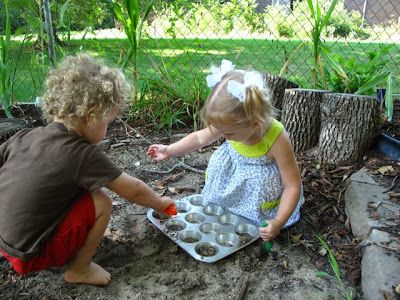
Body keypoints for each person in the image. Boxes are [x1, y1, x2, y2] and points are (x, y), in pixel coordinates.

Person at [0, 54, 174, 286]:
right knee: (101, 202)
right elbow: (133, 190)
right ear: (92, 117)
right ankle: (79, 270)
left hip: (4, 241)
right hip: (30, 255)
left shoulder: (25, 136)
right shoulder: (82, 154)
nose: (108, 129)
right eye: (108, 122)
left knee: (74, 191)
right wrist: (160, 204)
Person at [147, 59, 303, 242]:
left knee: (259, 180)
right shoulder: (230, 122)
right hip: (232, 183)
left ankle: (254, 217)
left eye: (229, 133)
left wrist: (277, 221)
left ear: (255, 124)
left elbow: (292, 185)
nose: (224, 136)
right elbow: (199, 138)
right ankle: (226, 207)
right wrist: (170, 150)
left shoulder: (276, 138)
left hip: (257, 199)